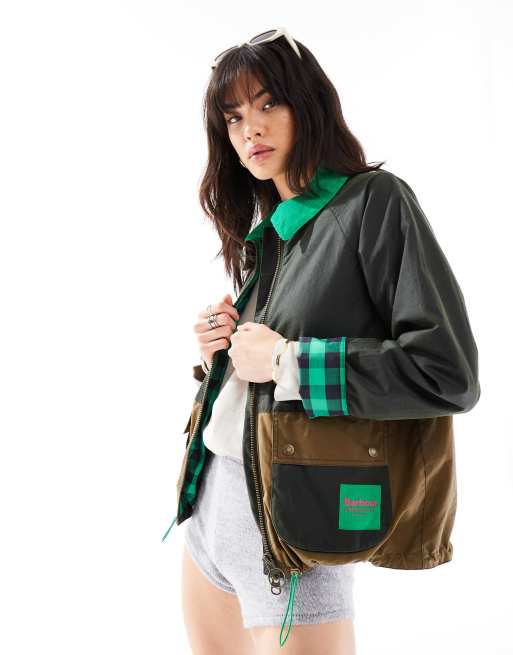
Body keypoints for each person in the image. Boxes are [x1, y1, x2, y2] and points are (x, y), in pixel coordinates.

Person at [164, 27, 480, 655]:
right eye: (234, 117)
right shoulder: (274, 228)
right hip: (210, 509)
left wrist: (289, 362)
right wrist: (222, 357)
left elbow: (448, 374)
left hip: (294, 525)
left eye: (268, 103)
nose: (250, 129)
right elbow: (264, 373)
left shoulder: (374, 203)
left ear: (307, 105)